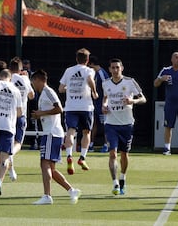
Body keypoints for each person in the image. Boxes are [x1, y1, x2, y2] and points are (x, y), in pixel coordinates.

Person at [31, 69, 81, 205]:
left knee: (44, 163)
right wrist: (40, 115)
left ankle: (47, 196)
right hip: (52, 133)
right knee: (51, 169)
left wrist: (41, 113)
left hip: (51, 133)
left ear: (38, 80)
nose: (32, 85)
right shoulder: (44, 94)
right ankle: (72, 191)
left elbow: (59, 109)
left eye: (33, 81)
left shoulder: (48, 92)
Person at [102, 58, 146, 195]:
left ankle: (122, 178)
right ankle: (115, 183)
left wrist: (132, 100)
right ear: (109, 69)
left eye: (117, 67)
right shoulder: (105, 83)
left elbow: (143, 98)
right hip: (110, 124)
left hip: (126, 123)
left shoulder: (129, 82)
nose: (115, 70)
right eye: (113, 68)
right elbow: (105, 97)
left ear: (122, 68)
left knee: (124, 154)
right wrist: (103, 105)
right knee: (112, 153)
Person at [59, 48, 98, 175]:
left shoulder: (69, 70)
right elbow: (90, 80)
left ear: (77, 59)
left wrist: (69, 87)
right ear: (87, 60)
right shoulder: (89, 70)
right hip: (85, 106)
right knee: (86, 132)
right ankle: (82, 158)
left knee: (70, 131)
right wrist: (94, 91)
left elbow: (60, 89)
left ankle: (69, 155)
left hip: (71, 107)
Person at [8, 56, 35, 181]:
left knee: (8, 143)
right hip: (20, 115)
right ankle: (10, 155)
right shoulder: (24, 79)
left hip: (8, 115)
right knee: (18, 143)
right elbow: (31, 96)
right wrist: (27, 80)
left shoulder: (6, 78)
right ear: (20, 69)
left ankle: (11, 169)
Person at [88, 55, 110, 152]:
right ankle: (91, 144)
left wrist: (105, 103)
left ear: (92, 64)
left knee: (105, 124)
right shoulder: (93, 74)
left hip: (102, 103)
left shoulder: (102, 73)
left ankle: (106, 145)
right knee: (93, 124)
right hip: (94, 104)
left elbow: (107, 88)